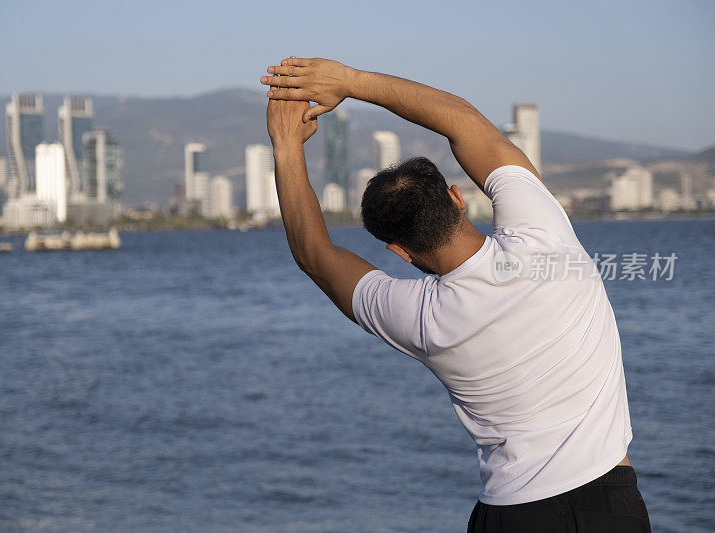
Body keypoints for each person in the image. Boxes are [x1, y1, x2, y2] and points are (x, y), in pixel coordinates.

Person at [261, 57, 651, 532]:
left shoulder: (423, 320)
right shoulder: (546, 240)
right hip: (610, 505)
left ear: (398, 251)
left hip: (513, 515)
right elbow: (463, 123)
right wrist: (349, 81)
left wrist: (286, 146)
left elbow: (315, 256)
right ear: (457, 197)